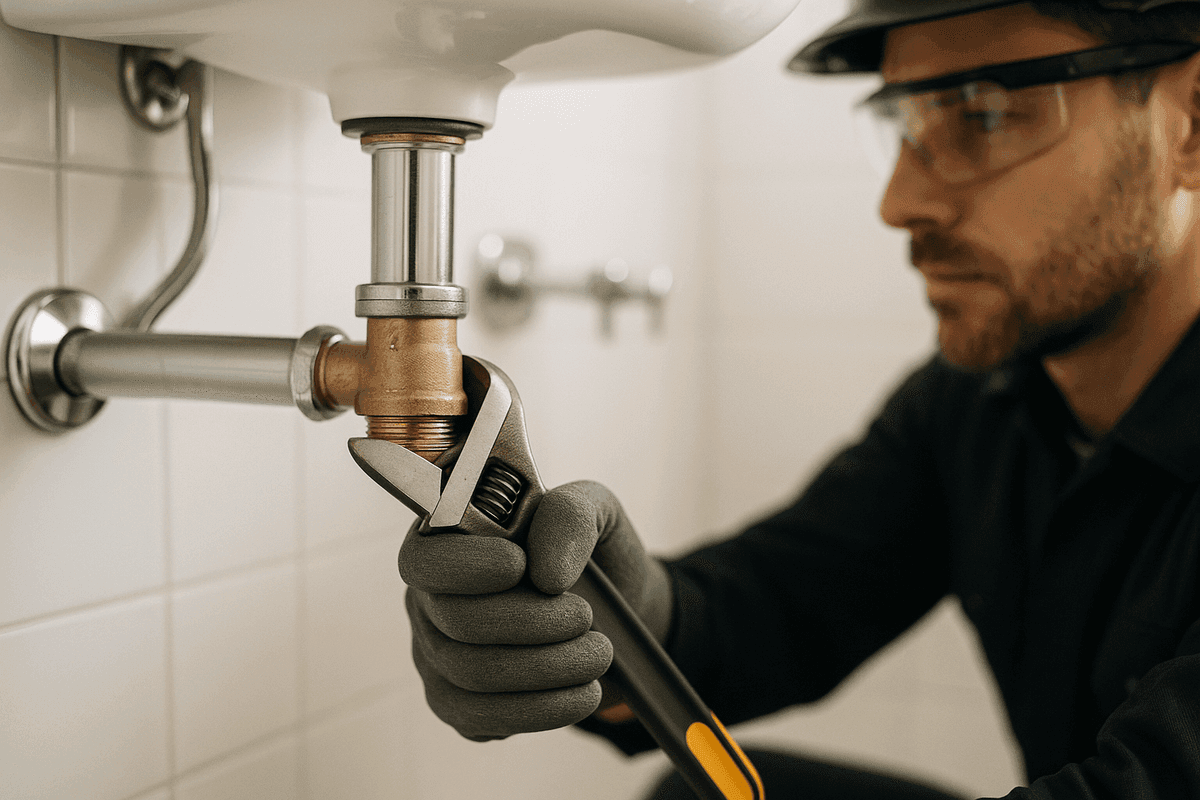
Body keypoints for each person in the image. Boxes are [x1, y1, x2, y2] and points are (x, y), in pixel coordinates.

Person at [398, 1, 1200, 797]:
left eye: (986, 115)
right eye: (909, 122)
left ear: (1190, 124)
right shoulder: (979, 404)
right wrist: (608, 625)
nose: (899, 204)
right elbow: (781, 606)